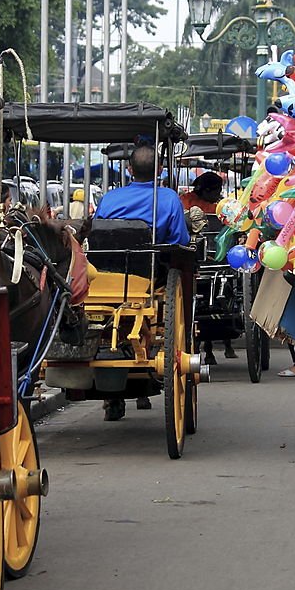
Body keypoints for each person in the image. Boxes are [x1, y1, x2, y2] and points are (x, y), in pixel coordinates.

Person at [95, 143, 190, 421]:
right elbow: (179, 242)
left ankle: (113, 393)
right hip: (149, 279)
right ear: (159, 170)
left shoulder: (109, 199)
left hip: (106, 279)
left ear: (129, 169)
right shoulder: (169, 199)